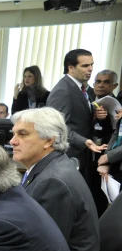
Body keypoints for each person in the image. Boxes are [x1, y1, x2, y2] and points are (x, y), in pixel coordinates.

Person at [12, 107, 100, 251]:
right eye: (14, 133)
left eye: (22, 134)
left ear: (48, 141)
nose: (13, 141)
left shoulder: (53, 182)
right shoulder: (50, 167)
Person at [47, 48, 108, 215]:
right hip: (70, 155)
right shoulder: (63, 90)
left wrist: (97, 117)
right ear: (71, 68)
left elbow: (79, 120)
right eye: (85, 65)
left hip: (82, 155)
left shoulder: (84, 89)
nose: (90, 69)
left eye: (92, 65)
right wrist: (84, 141)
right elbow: (57, 126)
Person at [91, 70, 120, 145]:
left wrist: (103, 120)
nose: (101, 85)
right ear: (94, 84)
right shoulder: (85, 99)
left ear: (115, 85)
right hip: (84, 146)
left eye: (106, 82)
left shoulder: (118, 105)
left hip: (107, 146)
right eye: (98, 82)